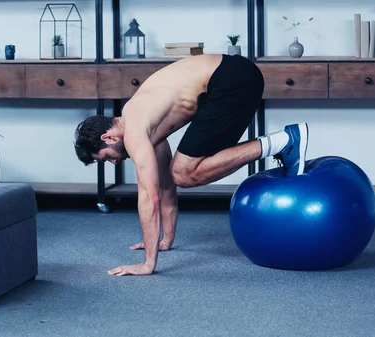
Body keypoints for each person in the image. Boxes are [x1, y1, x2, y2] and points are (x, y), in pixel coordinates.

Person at [73, 53, 308, 276]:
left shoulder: (134, 127)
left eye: (106, 157)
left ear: (108, 138)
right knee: (178, 173)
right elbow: (164, 188)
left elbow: (149, 197)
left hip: (229, 79)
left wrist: (148, 264)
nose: (114, 162)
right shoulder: (146, 125)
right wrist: (165, 240)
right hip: (233, 77)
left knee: (184, 173)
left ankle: (283, 141)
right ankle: (282, 142)